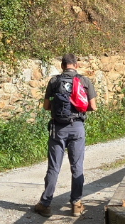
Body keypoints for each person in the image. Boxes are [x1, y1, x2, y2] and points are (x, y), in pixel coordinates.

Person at [32, 54, 95, 217]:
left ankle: (45, 204)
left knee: (54, 167)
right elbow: (93, 107)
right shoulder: (84, 81)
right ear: (76, 65)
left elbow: (46, 106)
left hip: (57, 130)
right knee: (77, 166)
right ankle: (76, 204)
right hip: (77, 127)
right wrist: (78, 109)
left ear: (62, 66)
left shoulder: (54, 81)